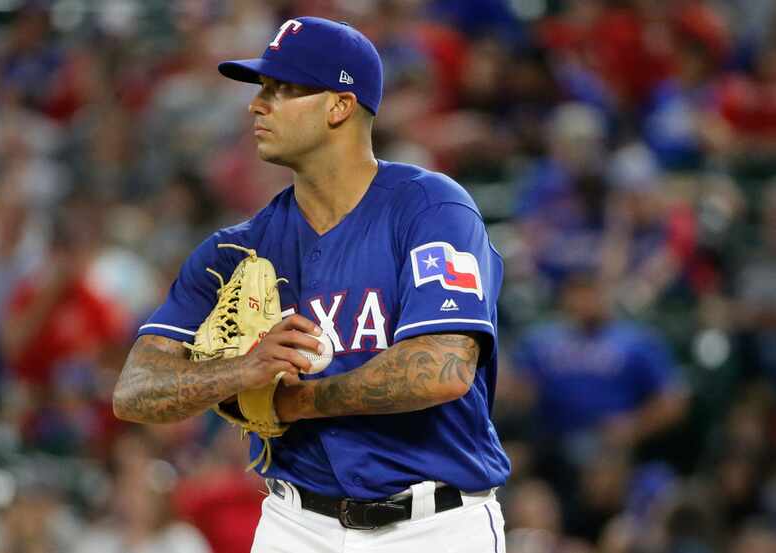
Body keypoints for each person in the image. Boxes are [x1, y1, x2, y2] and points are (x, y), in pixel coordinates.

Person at [113, 16, 509, 553]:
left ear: (340, 105)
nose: (258, 104)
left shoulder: (429, 207)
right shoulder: (236, 250)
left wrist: (294, 403)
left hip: (432, 523)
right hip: (294, 522)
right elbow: (133, 391)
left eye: (283, 89)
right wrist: (243, 369)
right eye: (262, 90)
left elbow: (443, 367)